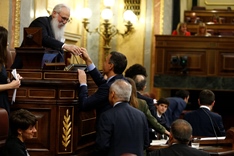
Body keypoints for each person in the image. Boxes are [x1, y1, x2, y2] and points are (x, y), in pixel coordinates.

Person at [11, 3, 81, 68]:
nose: (65, 22)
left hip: (47, 69)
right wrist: (65, 46)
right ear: (54, 13)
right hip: (27, 67)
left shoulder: (56, 29)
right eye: (63, 18)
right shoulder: (40, 22)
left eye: (67, 20)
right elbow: (44, 38)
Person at [95, 79, 149, 156]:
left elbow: (102, 145)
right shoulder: (141, 115)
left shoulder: (107, 116)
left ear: (112, 94)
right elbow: (146, 143)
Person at [77, 48, 127, 124]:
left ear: (111, 66)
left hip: (106, 128)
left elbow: (84, 105)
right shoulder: (122, 81)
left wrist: (83, 83)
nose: (103, 63)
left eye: (105, 61)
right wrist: (88, 60)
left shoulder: (108, 87)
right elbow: (102, 82)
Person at [0, 26, 22, 114]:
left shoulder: (1, 61)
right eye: (6, 41)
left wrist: (12, 80)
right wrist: (11, 86)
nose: (8, 44)